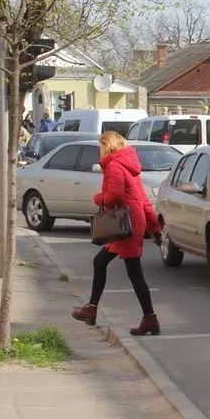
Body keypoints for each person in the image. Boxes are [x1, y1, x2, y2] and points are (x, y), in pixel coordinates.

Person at [72, 131, 163, 336]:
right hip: (130, 223)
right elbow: (144, 202)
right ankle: (92, 309)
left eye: (100, 146)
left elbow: (114, 195)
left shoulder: (113, 165)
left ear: (107, 145)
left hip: (124, 225)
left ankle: (150, 319)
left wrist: (98, 198)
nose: (99, 150)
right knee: (101, 262)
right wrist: (155, 229)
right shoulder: (129, 166)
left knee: (134, 273)